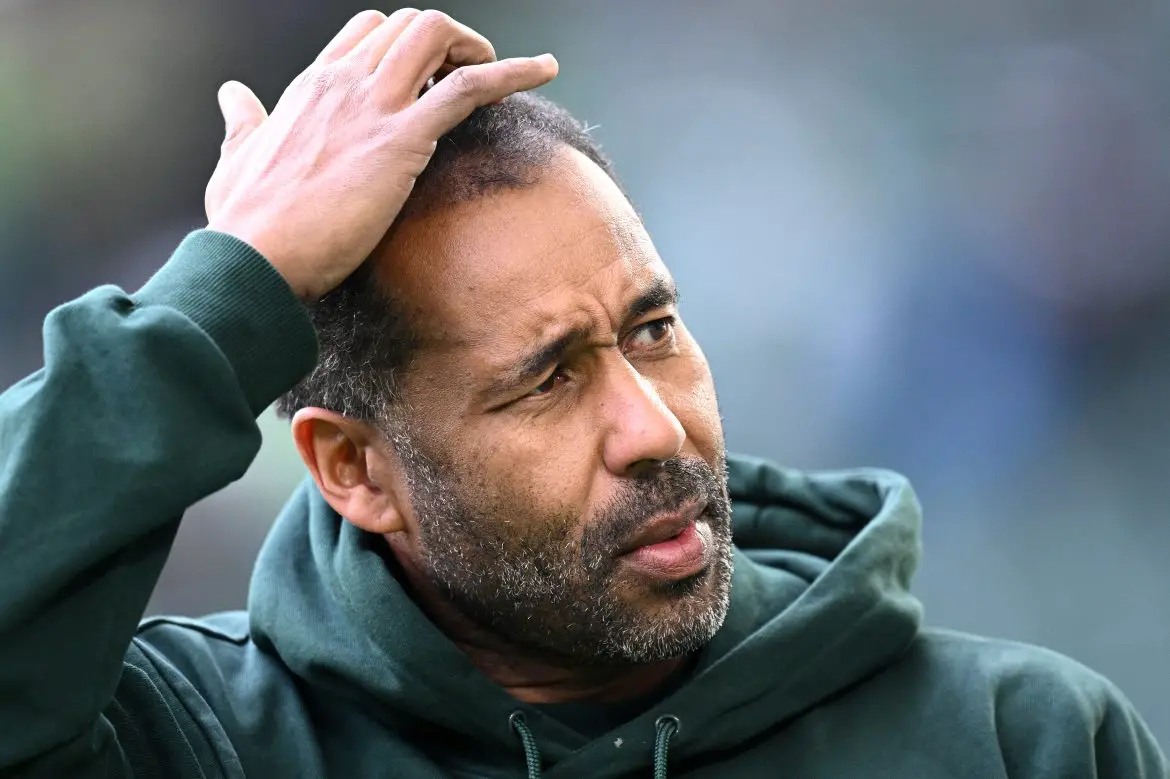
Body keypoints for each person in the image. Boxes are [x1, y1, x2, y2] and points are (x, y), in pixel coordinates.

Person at [0, 8, 1164, 779]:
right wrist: (232, 283)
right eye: (545, 380)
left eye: (653, 330)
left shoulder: (1022, 737)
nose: (652, 428)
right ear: (353, 469)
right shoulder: (191, 741)